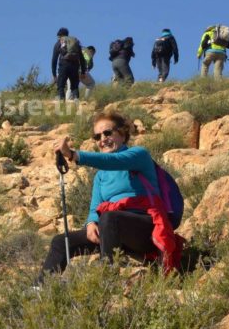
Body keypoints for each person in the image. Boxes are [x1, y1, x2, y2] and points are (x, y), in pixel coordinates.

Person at [37, 111, 182, 281]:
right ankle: (39, 288)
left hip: (146, 228)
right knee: (61, 242)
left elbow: (115, 161)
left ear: (122, 133)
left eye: (107, 133)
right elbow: (95, 206)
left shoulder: (138, 155)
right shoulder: (100, 176)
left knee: (109, 218)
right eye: (97, 137)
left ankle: (107, 277)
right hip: (110, 230)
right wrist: (91, 223)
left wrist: (73, 155)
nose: (102, 139)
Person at [50, 28, 87, 102]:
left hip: (64, 65)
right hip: (75, 65)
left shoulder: (59, 43)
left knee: (61, 85)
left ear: (59, 36)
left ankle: (62, 101)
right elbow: (82, 58)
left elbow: (54, 60)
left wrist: (54, 74)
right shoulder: (74, 42)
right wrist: (83, 71)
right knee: (74, 86)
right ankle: (76, 99)